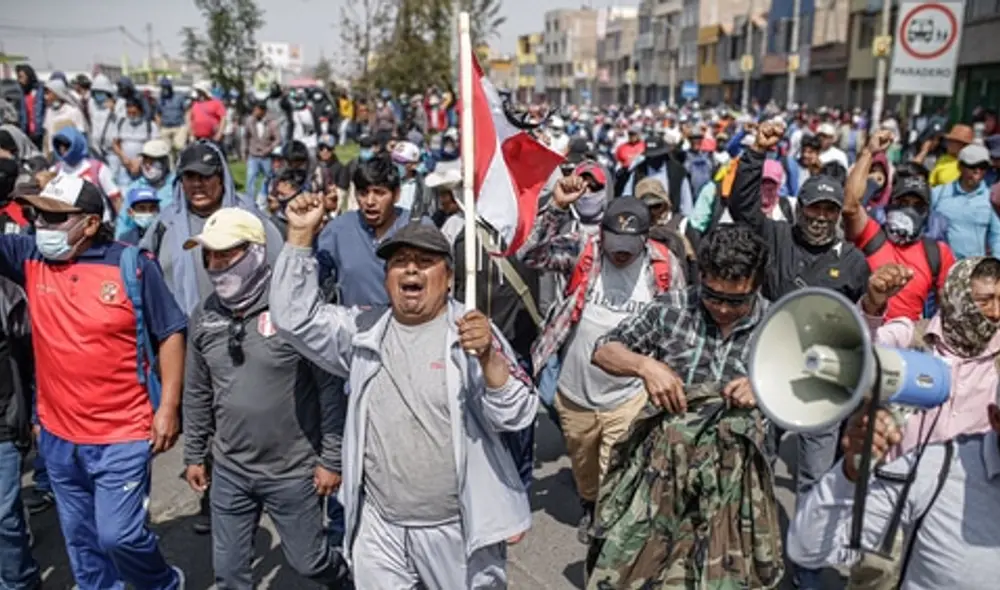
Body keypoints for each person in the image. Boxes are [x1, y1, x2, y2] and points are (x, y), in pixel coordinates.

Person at [270, 201, 536, 587]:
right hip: (381, 527)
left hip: (454, 530)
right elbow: (294, 319)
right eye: (400, 261)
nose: (411, 268)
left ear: (448, 278)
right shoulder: (363, 330)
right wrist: (298, 237)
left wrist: (490, 359)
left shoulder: (473, 335)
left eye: (425, 260)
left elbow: (516, 414)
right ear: (387, 277)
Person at [1, 175, 186, 589]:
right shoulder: (29, 257)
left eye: (54, 216)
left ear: (88, 223)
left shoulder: (132, 264)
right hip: (58, 435)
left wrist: (169, 406)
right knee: (83, 544)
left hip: (121, 433)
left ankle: (162, 582)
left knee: (117, 534)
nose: (41, 225)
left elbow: (171, 331)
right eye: (38, 215)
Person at [587, 223, 782, 588]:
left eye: (737, 301)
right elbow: (603, 350)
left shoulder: (779, 327)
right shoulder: (671, 309)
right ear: (701, 277)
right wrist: (645, 366)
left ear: (757, 286)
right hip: (662, 475)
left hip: (732, 488)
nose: (723, 308)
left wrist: (766, 387)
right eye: (713, 295)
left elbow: (813, 390)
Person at [788, 261, 1000, 589]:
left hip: (958, 515)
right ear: (958, 295)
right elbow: (851, 355)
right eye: (984, 301)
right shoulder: (912, 336)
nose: (995, 312)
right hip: (888, 500)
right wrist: (872, 305)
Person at [730, 120, 870, 590]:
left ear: (836, 214)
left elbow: (863, 322)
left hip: (823, 385)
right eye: (813, 206)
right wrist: (755, 153)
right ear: (800, 208)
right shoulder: (775, 238)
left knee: (814, 480)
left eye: (830, 209)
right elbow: (742, 208)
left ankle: (806, 563)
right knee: (761, 468)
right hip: (769, 376)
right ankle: (758, 548)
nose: (821, 215)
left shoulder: (852, 261)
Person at [181, 208, 349, 588]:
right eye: (209, 254)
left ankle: (346, 577)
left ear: (256, 252)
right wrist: (194, 454)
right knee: (228, 574)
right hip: (230, 471)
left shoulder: (296, 312)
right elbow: (197, 390)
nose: (216, 264)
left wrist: (331, 459)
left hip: (294, 473)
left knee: (309, 563)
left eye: (227, 254)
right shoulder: (203, 316)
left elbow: (329, 389)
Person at [521, 173, 685, 541]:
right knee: (585, 464)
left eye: (631, 242)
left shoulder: (664, 266)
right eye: (615, 240)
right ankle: (589, 503)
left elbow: (676, 324)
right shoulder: (585, 249)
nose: (622, 250)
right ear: (603, 233)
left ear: (646, 237)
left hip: (629, 394)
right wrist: (557, 207)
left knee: (618, 466)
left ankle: (608, 531)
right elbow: (529, 254)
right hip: (575, 389)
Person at [843, 130, 956, 321]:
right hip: (864, 332)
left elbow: (948, 307)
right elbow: (850, 206)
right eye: (903, 203)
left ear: (927, 211)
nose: (909, 211)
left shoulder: (937, 253)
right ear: (891, 203)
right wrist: (869, 152)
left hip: (907, 344)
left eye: (917, 205)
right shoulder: (872, 236)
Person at [0, 274, 39, 590]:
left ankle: (19, 582)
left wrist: (37, 412)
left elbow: (35, 358)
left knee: (3, 516)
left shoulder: (8, 294)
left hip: (5, 425)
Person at [931, 143, 1000, 260]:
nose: (977, 171)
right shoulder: (938, 193)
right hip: (942, 267)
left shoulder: (990, 198)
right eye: (972, 166)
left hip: (974, 269)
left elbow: (997, 236)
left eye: (983, 167)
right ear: (960, 167)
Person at [116, 139, 175, 240]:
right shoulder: (134, 187)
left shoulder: (177, 186)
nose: (148, 165)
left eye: (153, 160)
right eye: (145, 160)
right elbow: (123, 222)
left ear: (165, 162)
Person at [112, 97, 159, 187]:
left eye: (134, 113)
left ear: (141, 112)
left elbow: (154, 147)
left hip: (144, 168)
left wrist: (140, 161)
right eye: (128, 113)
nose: (131, 116)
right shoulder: (121, 123)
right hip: (124, 168)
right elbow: (115, 144)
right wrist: (123, 157)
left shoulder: (150, 126)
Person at [243, 101, 281, 208]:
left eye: (257, 110)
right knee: (250, 178)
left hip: (266, 156)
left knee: (267, 178)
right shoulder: (249, 121)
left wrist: (269, 149)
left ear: (263, 111)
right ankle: (249, 202)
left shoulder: (272, 123)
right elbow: (245, 137)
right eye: (254, 110)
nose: (255, 112)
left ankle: (263, 199)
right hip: (253, 154)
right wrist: (244, 152)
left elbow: (278, 139)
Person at [156, 78, 188, 157]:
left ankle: (180, 166)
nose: (165, 89)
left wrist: (187, 125)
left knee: (179, 148)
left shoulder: (179, 97)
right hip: (165, 127)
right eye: (163, 87)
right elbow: (157, 114)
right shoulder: (160, 99)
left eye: (166, 87)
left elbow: (187, 111)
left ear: (170, 87)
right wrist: (159, 127)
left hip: (179, 127)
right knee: (166, 152)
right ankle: (170, 168)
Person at [187, 82, 226, 147]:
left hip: (213, 137)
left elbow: (223, 118)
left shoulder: (216, 103)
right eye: (198, 92)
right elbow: (189, 118)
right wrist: (191, 134)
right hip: (197, 137)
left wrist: (219, 134)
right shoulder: (194, 104)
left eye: (200, 92)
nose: (198, 93)